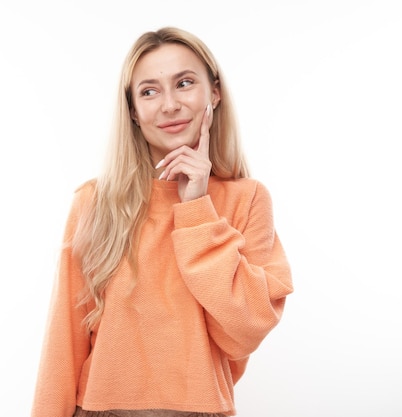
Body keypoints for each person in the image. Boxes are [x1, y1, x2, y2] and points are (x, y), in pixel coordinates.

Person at [31, 26, 293, 417]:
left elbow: (243, 330)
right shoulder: (93, 203)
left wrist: (196, 209)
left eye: (184, 83)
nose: (169, 105)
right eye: (149, 91)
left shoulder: (247, 199)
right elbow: (63, 342)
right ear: (133, 111)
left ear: (214, 93)